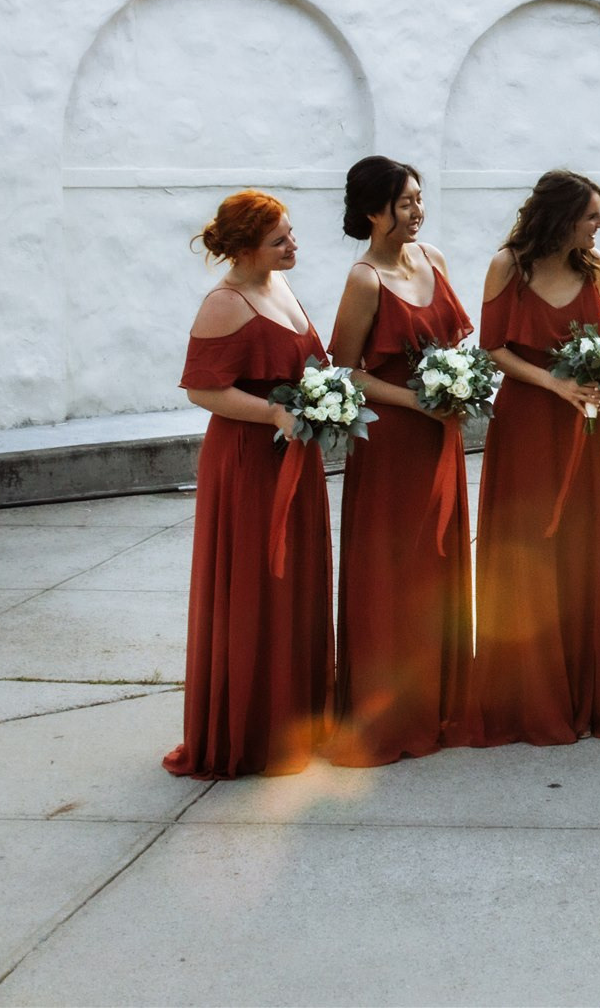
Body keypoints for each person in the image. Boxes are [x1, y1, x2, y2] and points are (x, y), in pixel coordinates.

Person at [166, 191, 331, 778]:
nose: (293, 247)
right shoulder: (224, 302)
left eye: (291, 234)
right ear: (244, 249)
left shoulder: (278, 286)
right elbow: (202, 389)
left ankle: (296, 720)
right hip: (247, 461)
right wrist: (274, 415)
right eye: (279, 240)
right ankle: (248, 730)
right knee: (255, 581)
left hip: (294, 453)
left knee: (295, 580)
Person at [327, 157, 476, 766]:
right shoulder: (364, 279)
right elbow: (345, 369)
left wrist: (455, 386)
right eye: (406, 202)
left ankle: (440, 701)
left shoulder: (432, 258)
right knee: (392, 574)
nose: (418, 211)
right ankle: (387, 714)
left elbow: (457, 341)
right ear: (373, 211)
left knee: (437, 565)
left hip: (438, 435)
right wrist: (415, 399)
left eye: (419, 199)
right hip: (392, 443)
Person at [469, 171, 600, 746]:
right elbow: (493, 349)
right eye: (591, 216)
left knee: (579, 548)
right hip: (528, 425)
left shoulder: (592, 269)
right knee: (528, 546)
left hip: (578, 428)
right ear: (562, 218)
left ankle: (581, 687)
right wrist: (555, 385)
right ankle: (528, 693)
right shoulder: (508, 266)